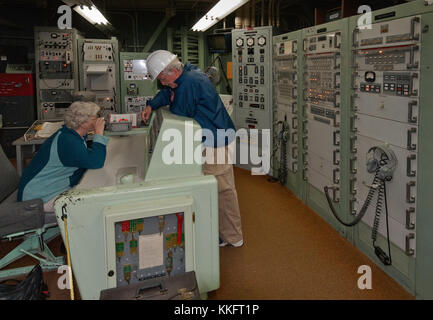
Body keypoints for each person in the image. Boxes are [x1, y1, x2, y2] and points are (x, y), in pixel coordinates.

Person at [142, 50, 243, 247]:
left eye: (163, 79)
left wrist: (170, 101)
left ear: (171, 71)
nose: (163, 83)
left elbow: (180, 112)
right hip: (209, 138)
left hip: (216, 141)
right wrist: (151, 105)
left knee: (223, 190)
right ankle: (219, 230)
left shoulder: (190, 82)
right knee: (210, 186)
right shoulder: (184, 73)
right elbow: (167, 93)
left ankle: (233, 237)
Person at [17, 101, 109, 212]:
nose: (99, 121)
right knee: (96, 201)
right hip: (38, 198)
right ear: (83, 123)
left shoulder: (68, 134)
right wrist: (99, 133)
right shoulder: (69, 141)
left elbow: (81, 156)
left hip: (40, 191)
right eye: (95, 119)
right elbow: (96, 162)